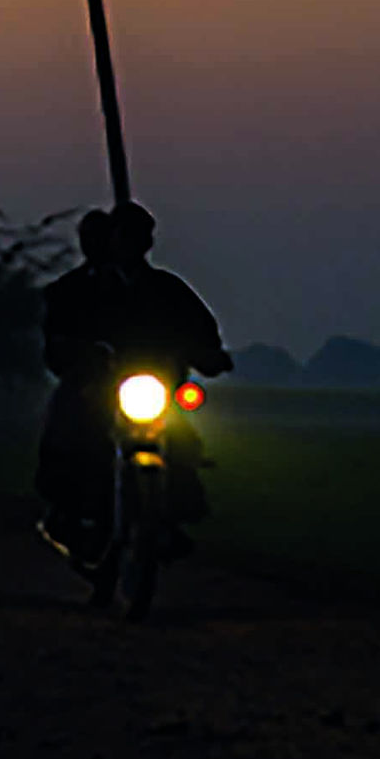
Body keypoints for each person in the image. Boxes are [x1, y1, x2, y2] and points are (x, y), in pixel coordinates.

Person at [34, 200, 233, 563]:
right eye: (126, 237)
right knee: (72, 428)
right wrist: (78, 356)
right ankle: (68, 510)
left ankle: (172, 513)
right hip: (98, 390)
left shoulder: (167, 289)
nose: (133, 245)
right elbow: (57, 339)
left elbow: (201, 330)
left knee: (183, 440)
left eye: (141, 237)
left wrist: (211, 354)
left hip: (154, 389)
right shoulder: (77, 290)